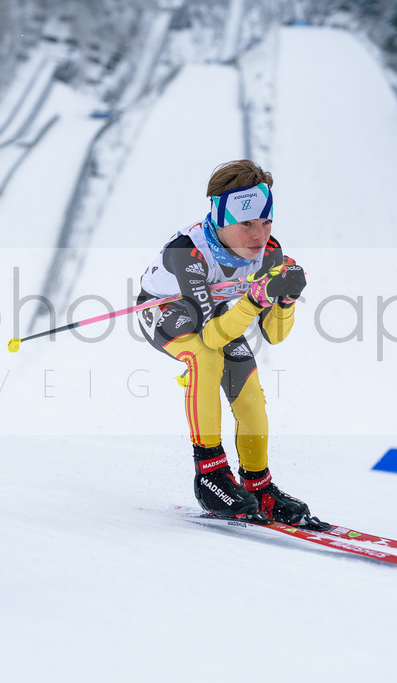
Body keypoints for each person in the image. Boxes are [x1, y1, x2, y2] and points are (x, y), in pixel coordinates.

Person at [136, 159, 327, 529]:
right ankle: (210, 474)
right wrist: (255, 300)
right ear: (221, 220)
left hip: (216, 314)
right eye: (247, 224)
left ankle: (259, 484)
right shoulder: (187, 253)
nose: (259, 235)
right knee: (205, 359)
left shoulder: (269, 252)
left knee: (249, 388)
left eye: (266, 222)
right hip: (165, 311)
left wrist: (285, 301)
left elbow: (274, 334)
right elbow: (210, 337)